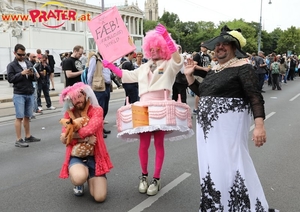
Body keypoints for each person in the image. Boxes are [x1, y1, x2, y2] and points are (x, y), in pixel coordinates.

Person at [184, 25, 278, 211]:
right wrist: (190, 78)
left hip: (228, 129)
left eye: (225, 44)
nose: (220, 47)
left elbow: (255, 97)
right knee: (213, 166)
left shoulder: (244, 67)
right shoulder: (215, 69)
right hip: (208, 131)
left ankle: (241, 206)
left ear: (235, 48)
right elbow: (203, 94)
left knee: (233, 165)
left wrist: (259, 126)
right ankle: (219, 205)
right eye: (218, 44)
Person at [103, 24, 193, 196]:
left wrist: (167, 37)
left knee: (158, 143)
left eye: (156, 48)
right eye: (150, 48)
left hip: (161, 106)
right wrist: (112, 67)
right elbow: (128, 76)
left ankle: (156, 178)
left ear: (163, 48)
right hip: (143, 107)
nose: (152, 51)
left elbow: (178, 60)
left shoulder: (169, 65)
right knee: (143, 144)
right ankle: (143, 176)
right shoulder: (144, 67)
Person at [59, 82, 113, 201]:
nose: (78, 100)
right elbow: (64, 137)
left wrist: (72, 135)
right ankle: (79, 182)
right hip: (76, 156)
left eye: (79, 96)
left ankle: (89, 175)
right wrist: (84, 138)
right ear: (70, 101)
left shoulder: (97, 110)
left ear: (85, 95)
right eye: (74, 99)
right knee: (79, 178)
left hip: (95, 157)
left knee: (99, 197)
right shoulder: (68, 114)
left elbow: (90, 129)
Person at [7, 44, 41, 147]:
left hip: (29, 92)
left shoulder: (28, 62)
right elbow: (10, 79)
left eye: (24, 54)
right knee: (19, 117)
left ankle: (28, 136)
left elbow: (35, 78)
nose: (22, 56)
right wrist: (21, 73)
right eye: (20, 54)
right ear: (15, 53)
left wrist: (31, 75)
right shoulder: (11, 65)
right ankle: (18, 139)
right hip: (19, 93)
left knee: (27, 116)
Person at [87, 52, 111, 138]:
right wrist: (89, 87)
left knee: (105, 108)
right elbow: (90, 73)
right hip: (99, 86)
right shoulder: (95, 58)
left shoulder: (105, 58)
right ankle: (97, 130)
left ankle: (101, 127)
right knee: (99, 109)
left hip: (106, 86)